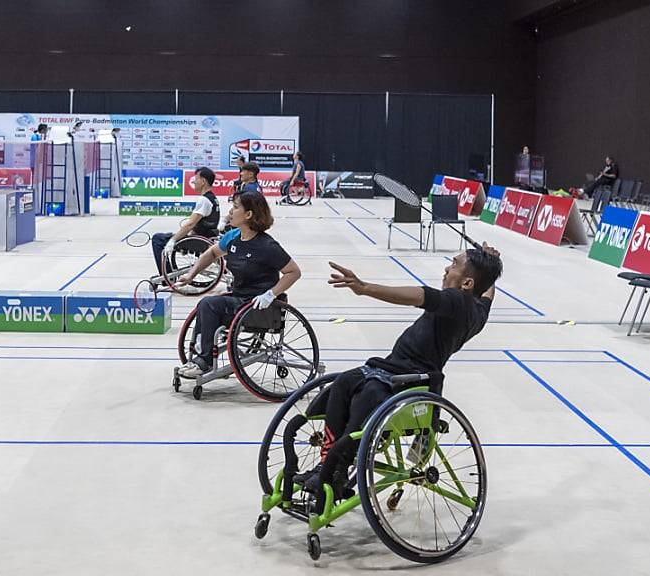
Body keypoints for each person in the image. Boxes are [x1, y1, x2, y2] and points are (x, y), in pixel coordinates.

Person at [294, 246, 503, 502]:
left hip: (409, 379)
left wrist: (364, 287)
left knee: (367, 394)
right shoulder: (477, 311)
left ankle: (336, 469)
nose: (447, 268)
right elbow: (487, 292)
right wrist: (492, 261)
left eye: (454, 264)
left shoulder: (455, 301)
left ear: (467, 282)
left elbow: (417, 295)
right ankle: (327, 465)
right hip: (390, 370)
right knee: (345, 381)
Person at [176, 191, 301, 378]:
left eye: (235, 207)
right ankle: (201, 357)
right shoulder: (234, 236)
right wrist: (191, 274)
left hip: (258, 306)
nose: (230, 212)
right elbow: (210, 254)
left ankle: (205, 361)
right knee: (208, 305)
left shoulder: (267, 246)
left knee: (208, 304)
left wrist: (270, 294)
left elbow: (293, 272)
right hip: (239, 299)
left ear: (248, 215)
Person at [151, 167, 221, 273]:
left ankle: (167, 276)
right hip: (205, 238)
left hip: (198, 242)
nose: (193, 181)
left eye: (196, 179)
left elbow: (190, 224)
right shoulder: (213, 198)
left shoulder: (204, 200)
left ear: (203, 181)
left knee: (158, 239)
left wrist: (173, 240)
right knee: (169, 236)